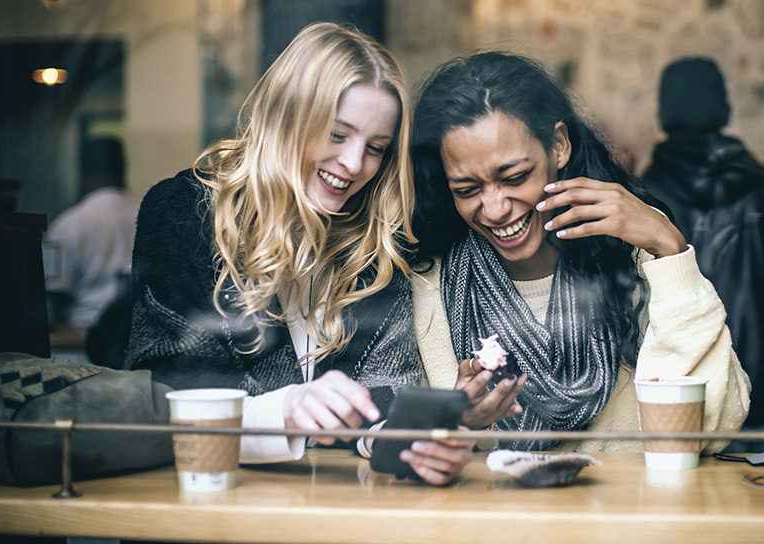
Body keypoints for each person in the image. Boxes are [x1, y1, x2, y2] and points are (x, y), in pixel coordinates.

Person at [123, 22, 472, 485]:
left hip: (322, 509)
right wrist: (285, 410)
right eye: (336, 134)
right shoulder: (186, 211)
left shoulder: (372, 239)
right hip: (204, 502)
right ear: (288, 116)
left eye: (375, 148)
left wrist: (401, 440)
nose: (353, 164)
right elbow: (171, 389)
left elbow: (382, 393)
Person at [409, 50, 750, 453]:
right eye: (467, 190)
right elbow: (416, 451)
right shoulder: (433, 283)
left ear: (558, 146)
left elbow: (715, 423)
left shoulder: (632, 257)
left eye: (515, 176)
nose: (496, 208)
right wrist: (458, 420)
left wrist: (669, 250)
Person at [641, 57, 764, 441]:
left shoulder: (642, 200)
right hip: (757, 384)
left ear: (663, 113)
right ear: (724, 107)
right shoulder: (758, 188)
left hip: (674, 386)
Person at [44, 137, 138, 335]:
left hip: (80, 343)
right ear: (124, 168)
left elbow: (52, 297)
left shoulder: (68, 224)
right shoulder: (147, 215)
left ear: (81, 172)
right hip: (135, 338)